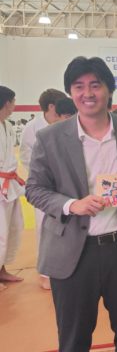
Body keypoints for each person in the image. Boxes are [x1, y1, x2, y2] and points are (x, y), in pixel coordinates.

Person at [25, 57, 117, 351]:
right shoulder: (50, 138)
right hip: (73, 252)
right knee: (74, 340)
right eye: (79, 86)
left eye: (95, 85)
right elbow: (34, 189)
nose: (88, 93)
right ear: (70, 92)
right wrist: (71, 205)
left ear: (109, 90)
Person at [19, 88, 67, 290]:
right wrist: (46, 171)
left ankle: (63, 266)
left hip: (65, 185)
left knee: (64, 228)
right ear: (51, 106)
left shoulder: (65, 123)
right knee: (44, 227)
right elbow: (25, 156)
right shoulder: (32, 128)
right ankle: (45, 273)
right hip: (44, 185)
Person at [0, 86, 25, 292]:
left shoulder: (7, 125)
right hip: (1, 182)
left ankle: (2, 269)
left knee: (12, 228)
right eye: (14, 101)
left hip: (9, 184)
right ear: (7, 102)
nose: (15, 105)